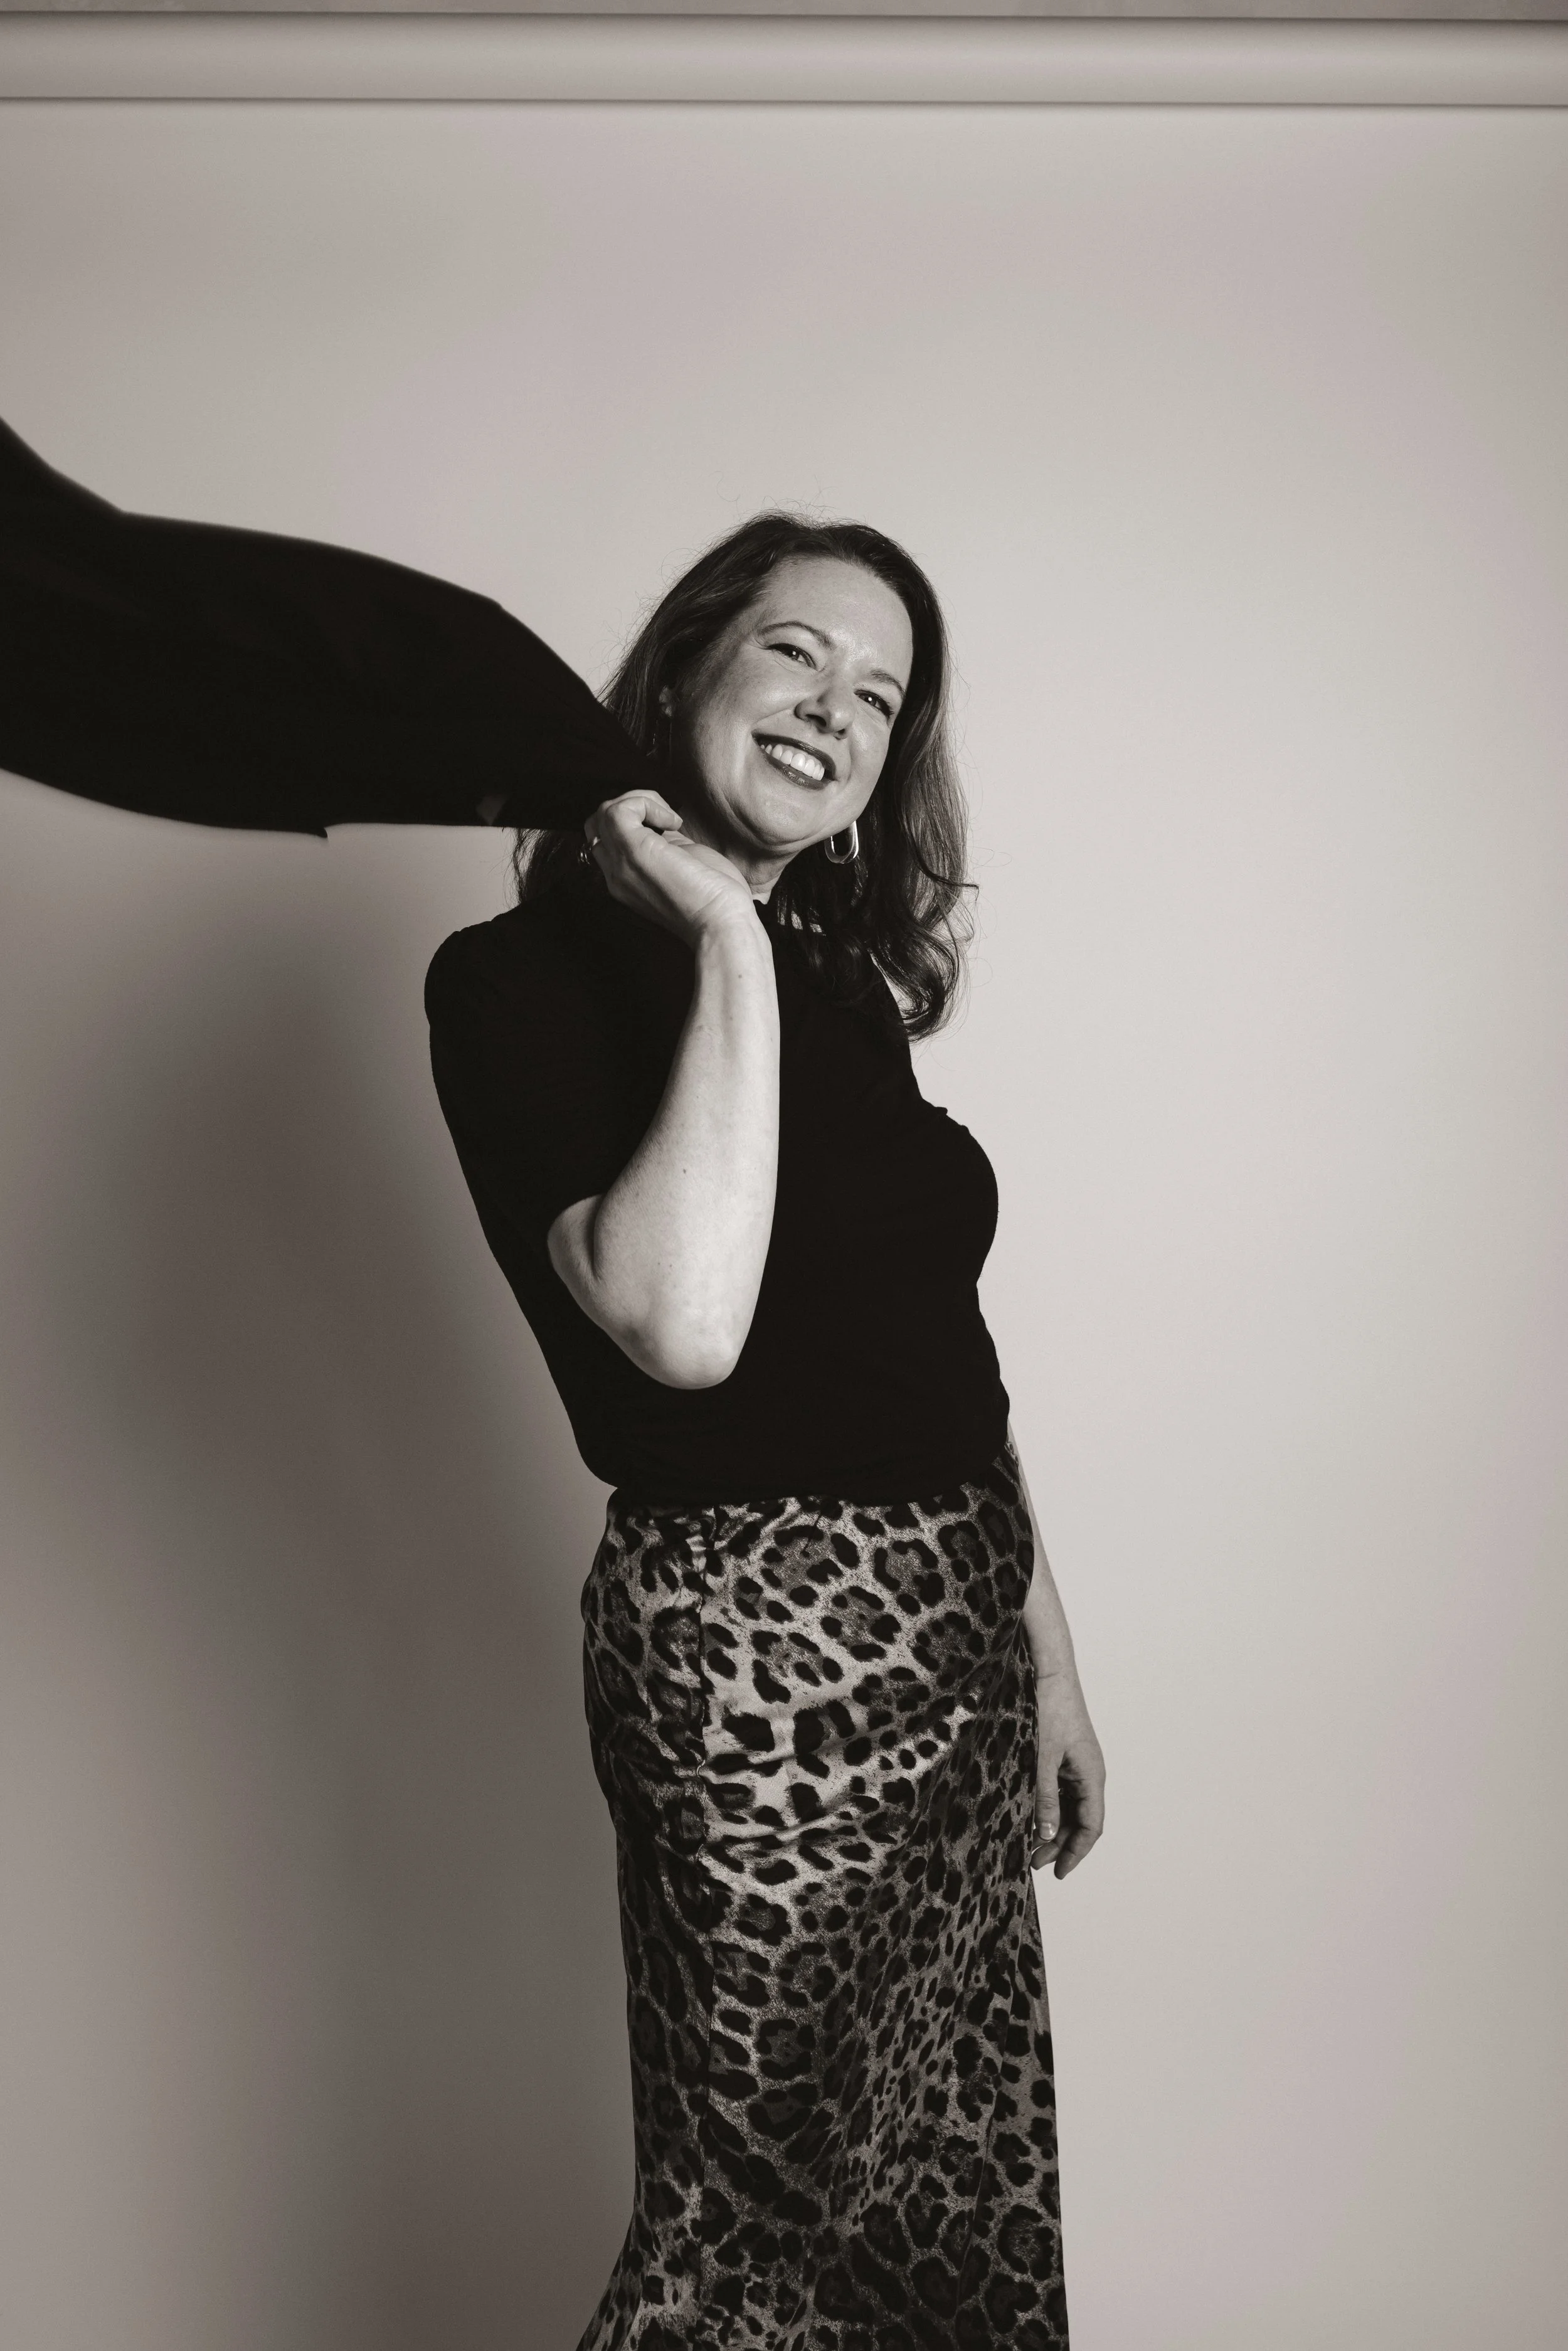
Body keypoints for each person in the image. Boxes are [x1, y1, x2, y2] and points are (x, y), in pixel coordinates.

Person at [1, 422, 1104, 2349]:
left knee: (943, 2229)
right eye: (792, 655)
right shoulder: (514, 985)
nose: (831, 710)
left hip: (956, 1651)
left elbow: (937, 1344)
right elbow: (682, 1322)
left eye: (877, 696)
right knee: (750, 2249)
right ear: (683, 673)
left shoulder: (842, 997)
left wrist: (1046, 1649)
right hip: (757, 1662)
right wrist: (724, 945)